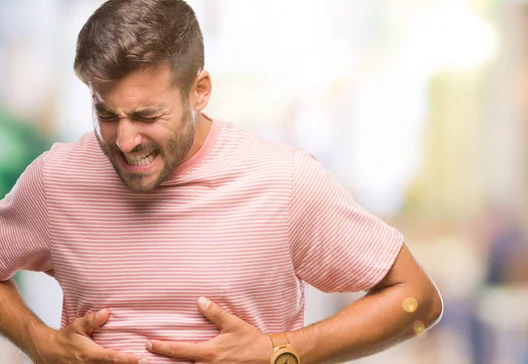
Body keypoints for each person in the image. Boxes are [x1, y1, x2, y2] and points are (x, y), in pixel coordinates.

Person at [0, 0, 443, 363]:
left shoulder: (284, 183)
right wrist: (40, 343)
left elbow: (417, 299)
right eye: (106, 115)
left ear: (200, 90)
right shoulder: (56, 180)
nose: (126, 139)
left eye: (147, 116)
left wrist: (279, 351)